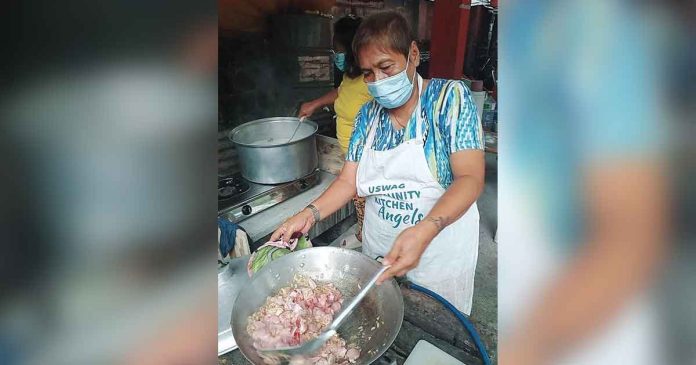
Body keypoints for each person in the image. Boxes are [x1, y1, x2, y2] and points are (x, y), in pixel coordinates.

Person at [273, 11, 484, 314]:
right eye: (368, 73)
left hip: (439, 254)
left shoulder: (448, 100)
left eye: (386, 67)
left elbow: (470, 178)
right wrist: (309, 214)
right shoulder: (367, 116)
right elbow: (349, 181)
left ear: (412, 54)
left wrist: (426, 229)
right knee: (379, 319)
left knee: (435, 331)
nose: (378, 81)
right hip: (380, 251)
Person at [298, 15, 373, 242]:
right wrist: (315, 103)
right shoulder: (352, 76)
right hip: (351, 160)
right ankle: (365, 236)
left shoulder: (373, 80)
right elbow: (341, 91)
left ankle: (371, 246)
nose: (335, 54)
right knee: (362, 211)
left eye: (337, 49)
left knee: (370, 216)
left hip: (368, 164)